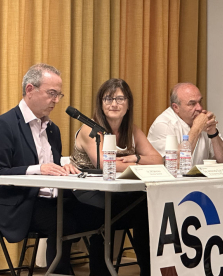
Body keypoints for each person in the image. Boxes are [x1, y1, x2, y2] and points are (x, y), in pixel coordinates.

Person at [0, 63, 81, 275]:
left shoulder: (52, 130)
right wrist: (37, 169)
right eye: (51, 93)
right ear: (30, 89)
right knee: (64, 222)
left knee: (94, 213)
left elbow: (51, 169)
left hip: (52, 199)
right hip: (19, 202)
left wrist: (63, 168)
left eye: (59, 95)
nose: (56, 101)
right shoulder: (4, 125)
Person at [70, 78, 162, 276]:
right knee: (130, 208)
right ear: (100, 104)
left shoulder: (132, 130)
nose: (114, 104)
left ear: (128, 104)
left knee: (148, 204)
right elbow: (105, 164)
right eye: (108, 99)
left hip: (116, 192)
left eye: (120, 99)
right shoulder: (91, 130)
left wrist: (136, 158)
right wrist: (135, 163)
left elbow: (158, 159)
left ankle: (149, 270)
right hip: (84, 196)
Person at [147, 82, 223, 166]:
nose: (199, 108)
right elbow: (175, 163)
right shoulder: (163, 125)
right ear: (176, 107)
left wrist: (213, 133)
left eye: (200, 102)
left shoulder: (204, 121)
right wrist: (196, 128)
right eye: (192, 104)